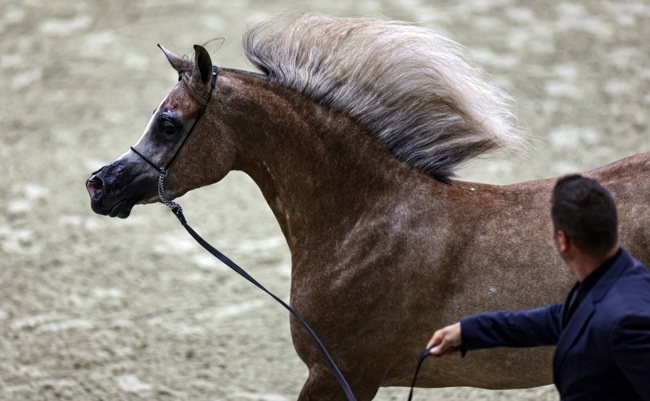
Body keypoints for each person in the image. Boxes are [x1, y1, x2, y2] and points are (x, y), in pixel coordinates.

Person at [427, 174, 650, 400]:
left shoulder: (628, 321)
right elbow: (560, 319)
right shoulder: (616, 276)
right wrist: (469, 331)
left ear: (562, 241)